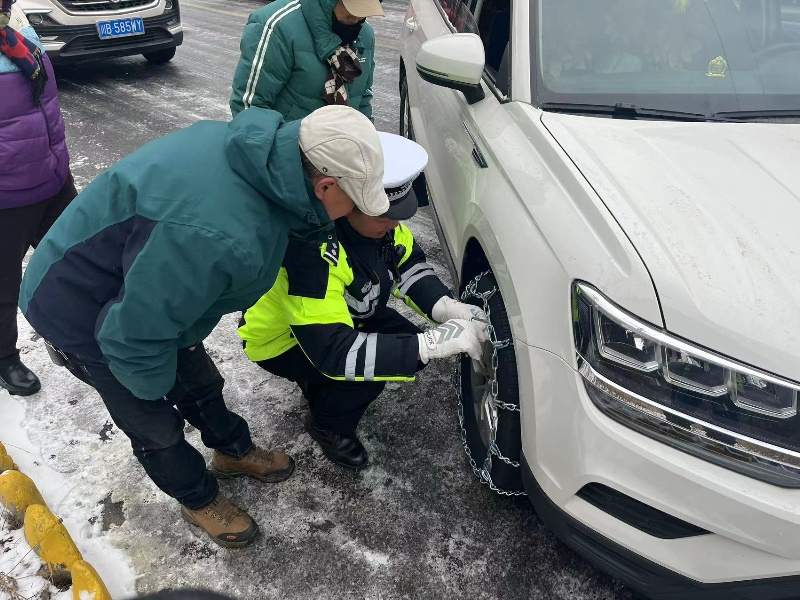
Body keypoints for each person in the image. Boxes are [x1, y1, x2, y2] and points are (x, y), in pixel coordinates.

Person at [18, 105, 404, 549]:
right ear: (326, 183)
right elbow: (132, 336)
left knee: (200, 381)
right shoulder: (216, 232)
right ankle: (197, 497)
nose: (352, 211)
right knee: (154, 423)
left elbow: (301, 223)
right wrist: (154, 391)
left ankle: (231, 450)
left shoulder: (271, 165)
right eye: (354, 201)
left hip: (144, 287)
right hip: (78, 306)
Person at [239, 133, 489, 470]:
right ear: (348, 202)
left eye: (397, 214)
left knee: (400, 339)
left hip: (342, 316)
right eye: (384, 216)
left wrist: (445, 306)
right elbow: (334, 352)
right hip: (283, 341)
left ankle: (319, 387)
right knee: (369, 372)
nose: (395, 225)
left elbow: (410, 265)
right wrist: (428, 344)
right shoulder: (311, 255)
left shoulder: (381, 224)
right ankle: (327, 426)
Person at [0, 0, 76, 397]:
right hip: (6, 196)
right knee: (3, 285)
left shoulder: (17, 28)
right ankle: (4, 358)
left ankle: (75, 335)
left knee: (78, 263)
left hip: (53, 178)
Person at [229, 0, 382, 120]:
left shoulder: (365, 34)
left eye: (363, 14)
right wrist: (278, 154)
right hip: (286, 151)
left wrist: (365, 142)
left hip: (341, 150)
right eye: (350, 13)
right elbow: (249, 108)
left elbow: (363, 98)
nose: (356, 20)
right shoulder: (278, 26)